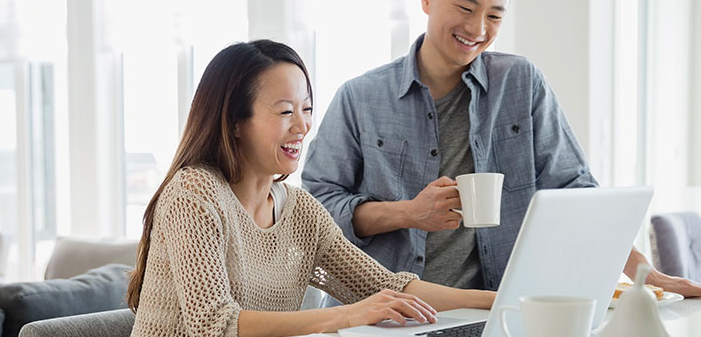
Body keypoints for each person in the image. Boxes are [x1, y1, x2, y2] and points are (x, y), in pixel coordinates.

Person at [302, 0, 701, 297]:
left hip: (498, 311)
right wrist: (408, 212)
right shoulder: (361, 97)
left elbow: (575, 193)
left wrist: (645, 274)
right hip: (388, 314)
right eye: (465, 7)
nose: (477, 29)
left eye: (494, 16)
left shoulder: (520, 83)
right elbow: (317, 207)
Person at [126, 40, 494, 336]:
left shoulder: (299, 210)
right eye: (285, 112)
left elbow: (386, 285)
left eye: (306, 109)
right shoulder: (195, 193)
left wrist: (498, 299)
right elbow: (214, 326)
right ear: (236, 122)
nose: (302, 127)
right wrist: (344, 317)